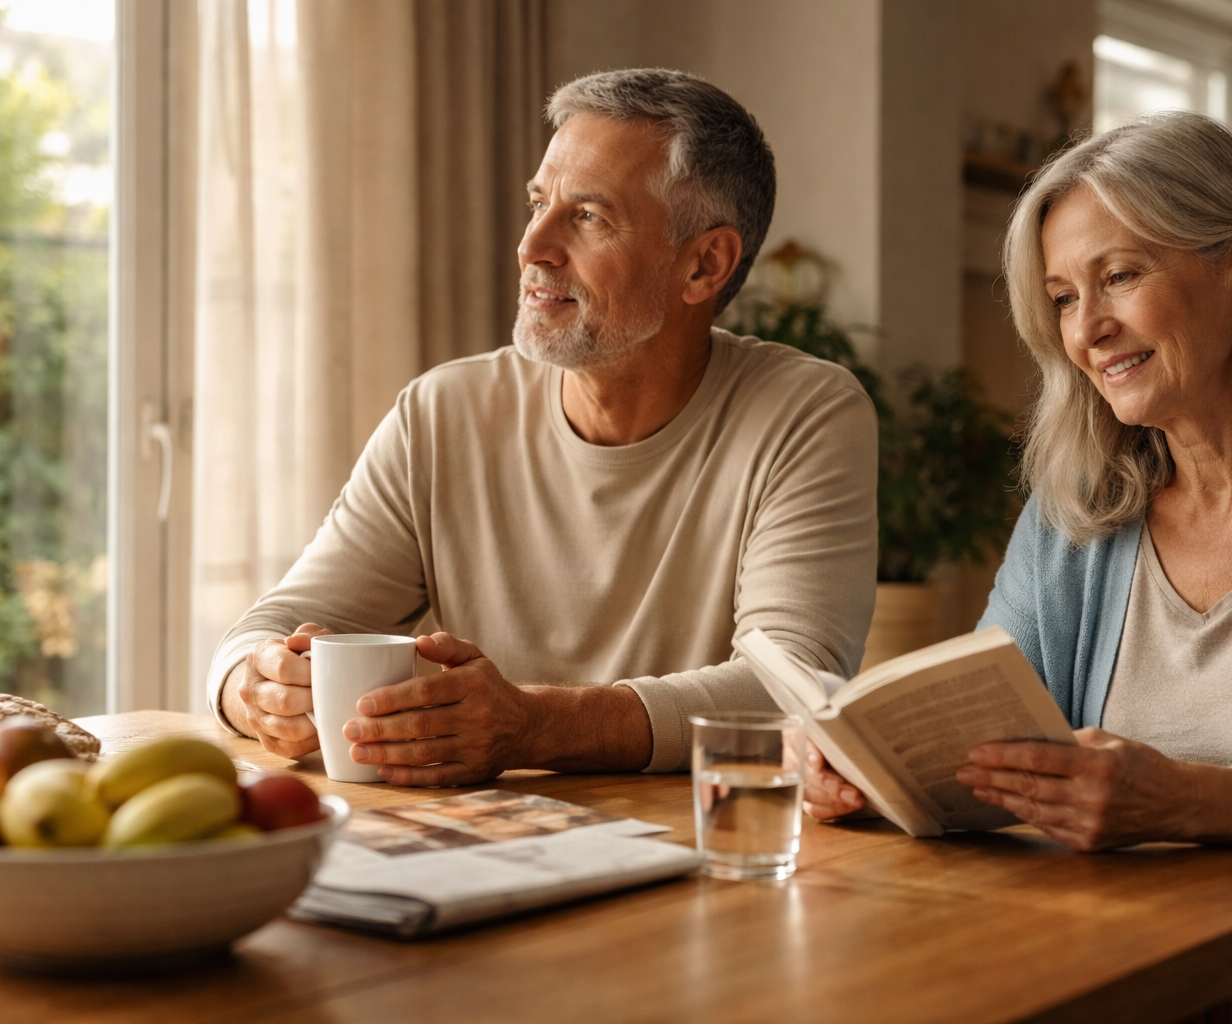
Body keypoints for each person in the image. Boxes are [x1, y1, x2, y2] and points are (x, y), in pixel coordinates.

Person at [804, 111, 1232, 1024]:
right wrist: (865, 762)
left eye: (1119, 276)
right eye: (1060, 298)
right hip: (1111, 938)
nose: (1087, 329)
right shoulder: (1079, 505)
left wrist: (1195, 801)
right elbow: (981, 729)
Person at [208, 68, 877, 783]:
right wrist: (252, 686)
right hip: (483, 848)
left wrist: (536, 725)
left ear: (704, 265)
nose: (533, 246)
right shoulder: (442, 413)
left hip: (709, 851)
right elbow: (276, 623)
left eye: (587, 215)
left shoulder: (805, 414)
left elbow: (793, 687)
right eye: (538, 203)